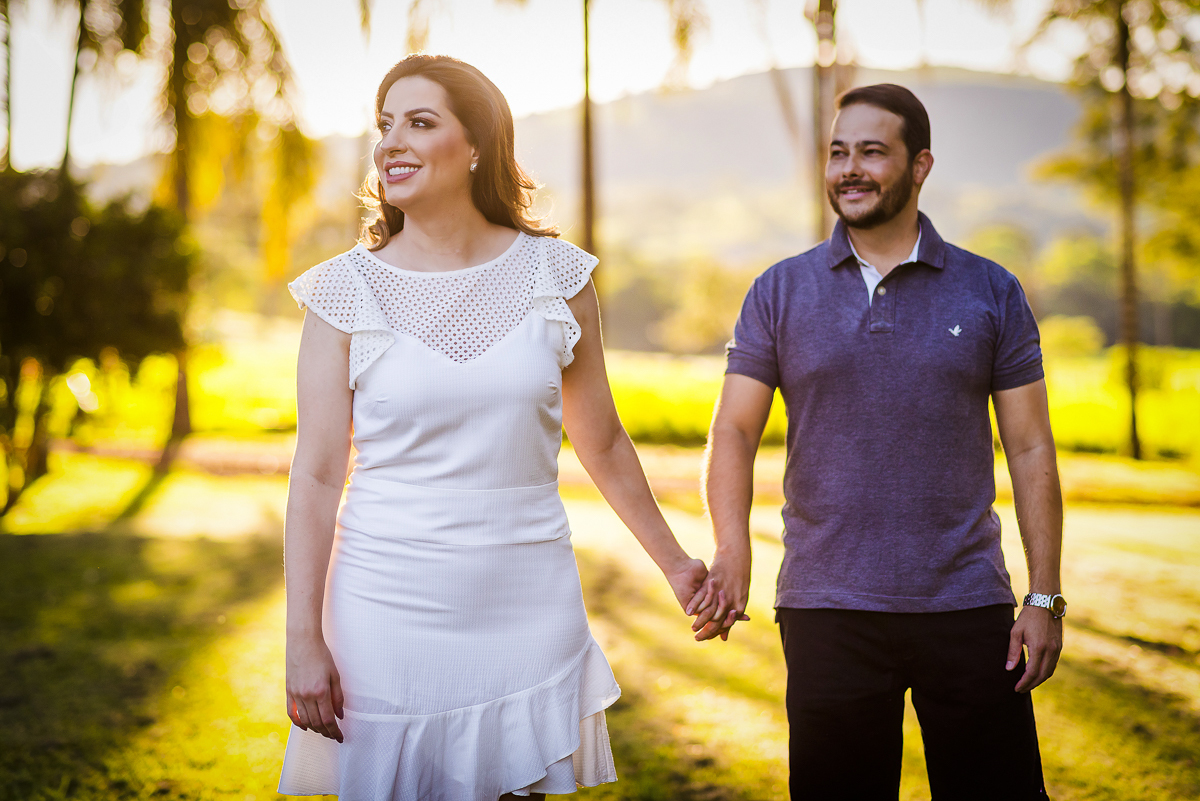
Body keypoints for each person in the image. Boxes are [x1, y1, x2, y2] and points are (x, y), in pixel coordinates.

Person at [276, 54, 707, 801]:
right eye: (385, 125)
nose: (391, 143)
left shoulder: (558, 276)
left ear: (477, 145)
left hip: (527, 600)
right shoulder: (342, 291)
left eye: (419, 122)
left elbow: (602, 440)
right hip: (387, 607)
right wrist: (302, 638)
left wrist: (674, 565)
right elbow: (315, 474)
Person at [690, 84, 1064, 799]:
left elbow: (1030, 450)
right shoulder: (779, 290)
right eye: (838, 153)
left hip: (967, 605)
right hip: (826, 607)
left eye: (871, 152)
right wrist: (732, 550)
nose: (849, 169)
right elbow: (734, 429)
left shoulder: (991, 290)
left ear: (920, 165)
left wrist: (1044, 596)